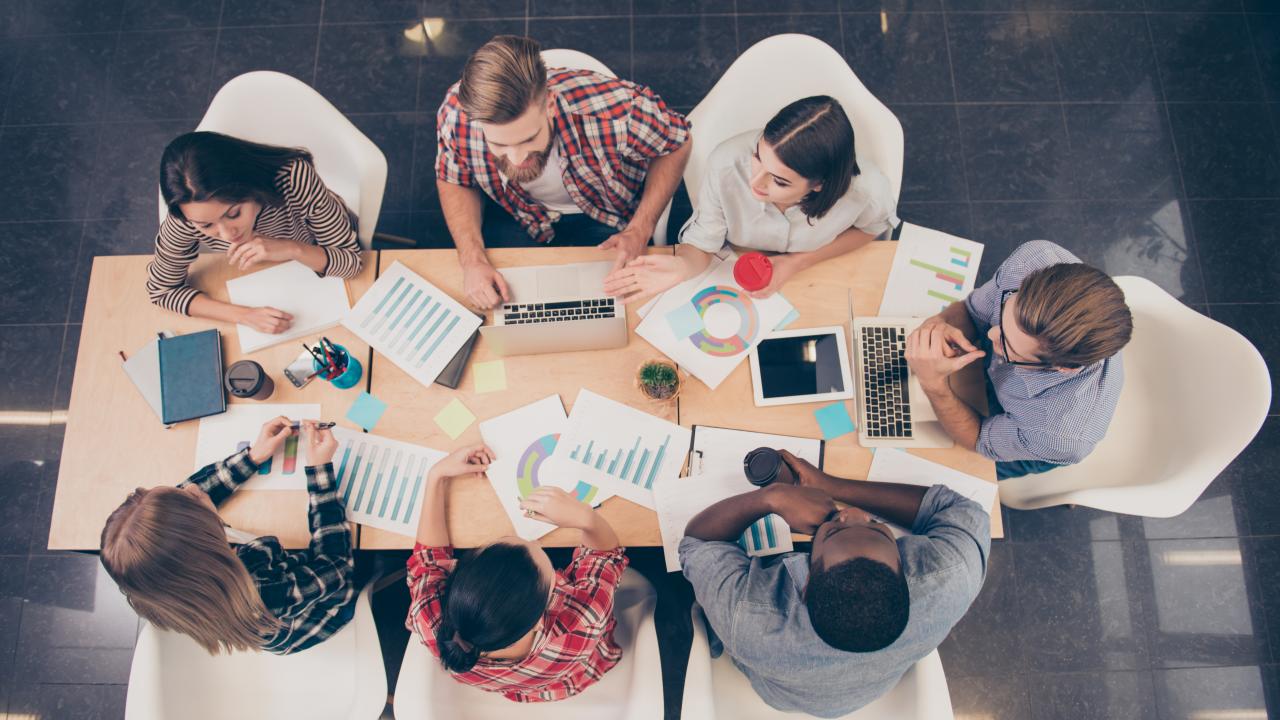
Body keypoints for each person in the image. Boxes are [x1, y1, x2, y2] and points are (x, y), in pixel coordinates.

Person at [680, 451, 988, 718]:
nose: (853, 513)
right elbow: (960, 512)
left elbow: (696, 542)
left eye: (834, 532)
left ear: (807, 583)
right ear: (904, 573)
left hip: (780, 696)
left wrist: (771, 497)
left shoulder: (749, 618)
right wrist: (832, 486)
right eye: (877, 527)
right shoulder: (951, 579)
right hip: (867, 690)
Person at [434, 34, 691, 309]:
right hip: (524, 215)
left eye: (528, 139)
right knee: (511, 315)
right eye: (498, 144)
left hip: (611, 215)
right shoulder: (455, 116)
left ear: (551, 104)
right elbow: (454, 179)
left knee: (620, 309)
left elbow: (678, 143)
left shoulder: (618, 111)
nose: (518, 160)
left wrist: (640, 229)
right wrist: (471, 259)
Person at [604, 95, 897, 301]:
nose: (754, 183)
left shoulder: (866, 192)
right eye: (758, 158)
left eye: (780, 181)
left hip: (818, 276)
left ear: (819, 184)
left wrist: (796, 263)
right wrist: (682, 266)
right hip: (732, 269)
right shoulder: (726, 163)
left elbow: (871, 229)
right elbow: (703, 244)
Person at [100, 419, 355, 655]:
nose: (192, 488)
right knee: (368, 558)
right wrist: (319, 471)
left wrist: (254, 456)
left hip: (281, 589)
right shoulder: (264, 594)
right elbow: (337, 564)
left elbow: (186, 499)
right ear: (208, 539)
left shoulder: (159, 575)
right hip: (325, 604)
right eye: (193, 499)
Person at [406, 445, 629, 702]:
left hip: (518, 686)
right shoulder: (581, 623)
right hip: (572, 672)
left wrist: (437, 475)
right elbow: (607, 556)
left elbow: (428, 560)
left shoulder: (429, 621)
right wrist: (586, 518)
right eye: (543, 557)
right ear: (541, 616)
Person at [903, 240, 1132, 479]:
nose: (990, 333)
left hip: (1028, 431)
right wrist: (938, 326)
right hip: (1020, 399)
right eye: (1002, 316)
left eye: (1006, 343)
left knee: (950, 468)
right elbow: (973, 313)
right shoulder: (1033, 261)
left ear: (1063, 368)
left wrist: (934, 385)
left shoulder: (1056, 433)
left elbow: (979, 437)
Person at [148, 131, 364, 333]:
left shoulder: (293, 177)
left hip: (317, 246)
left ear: (251, 188)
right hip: (266, 275)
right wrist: (244, 315)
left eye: (233, 214)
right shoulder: (186, 216)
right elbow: (162, 290)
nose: (226, 234)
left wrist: (292, 249)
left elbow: (351, 262)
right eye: (206, 226)